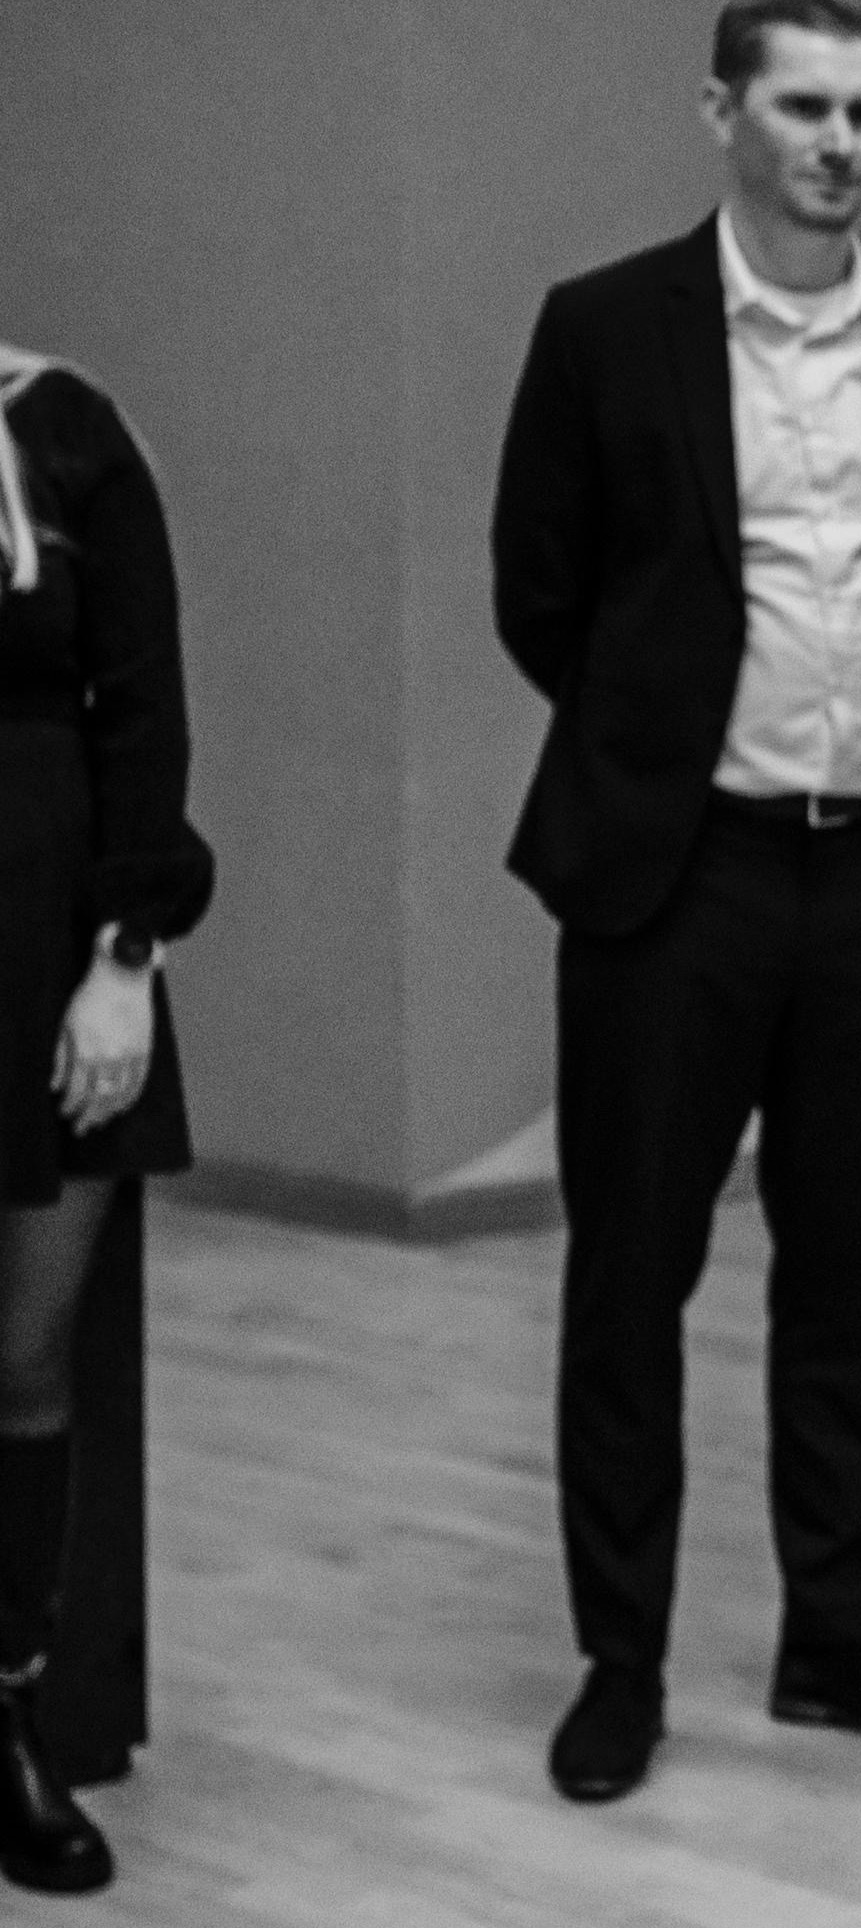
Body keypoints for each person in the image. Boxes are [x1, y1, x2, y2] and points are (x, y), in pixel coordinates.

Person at [489, 0, 861, 1804]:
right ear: (722, 109)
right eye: (803, 105)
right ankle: (619, 1663)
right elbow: (538, 589)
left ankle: (834, 1642)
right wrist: (657, 742)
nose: (840, 141)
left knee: (848, 1281)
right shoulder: (603, 327)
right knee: (631, 1278)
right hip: (675, 875)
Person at [0, 347, 209, 1898]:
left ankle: (7, 1710)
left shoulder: (67, 428)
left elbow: (144, 711)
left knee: (22, 1355)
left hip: (41, 951)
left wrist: (125, 962)